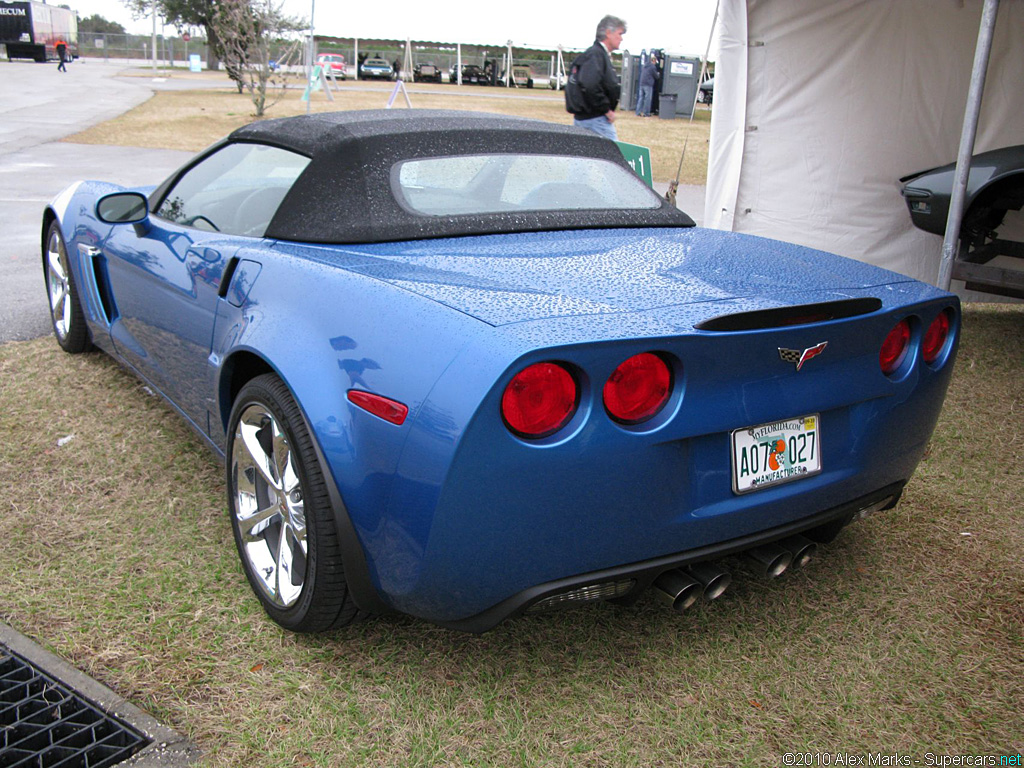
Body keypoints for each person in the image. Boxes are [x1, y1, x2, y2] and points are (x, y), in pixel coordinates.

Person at [565, 15, 626, 140]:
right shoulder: (596, 55)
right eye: (620, 34)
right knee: (613, 156)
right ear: (608, 33)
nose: (621, 39)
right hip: (595, 120)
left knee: (584, 156)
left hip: (588, 118)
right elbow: (589, 84)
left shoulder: (594, 55)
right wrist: (606, 110)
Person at [635, 53, 659, 117]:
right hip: (648, 84)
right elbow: (656, 76)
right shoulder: (652, 67)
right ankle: (646, 113)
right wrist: (658, 74)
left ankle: (638, 112)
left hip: (641, 83)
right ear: (654, 61)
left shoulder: (645, 65)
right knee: (647, 99)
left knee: (641, 98)